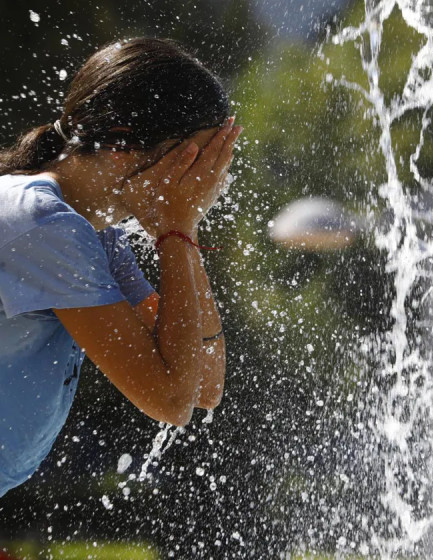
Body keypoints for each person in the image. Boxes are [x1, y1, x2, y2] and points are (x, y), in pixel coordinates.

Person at [0, 37, 243, 497]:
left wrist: (180, 229)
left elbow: (203, 386)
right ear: (122, 143)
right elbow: (169, 399)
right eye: (193, 160)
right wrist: (177, 227)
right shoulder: (42, 222)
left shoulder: (95, 233)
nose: (207, 183)